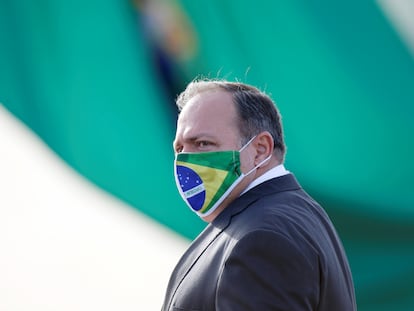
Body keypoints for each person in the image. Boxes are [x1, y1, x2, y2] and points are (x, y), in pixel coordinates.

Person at [161, 79, 357, 310]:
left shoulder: (263, 236)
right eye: (180, 149)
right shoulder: (287, 216)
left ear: (260, 150)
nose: (185, 162)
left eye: (203, 143)